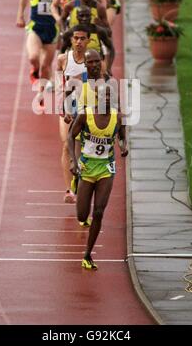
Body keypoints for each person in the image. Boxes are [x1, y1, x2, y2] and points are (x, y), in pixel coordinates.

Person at [68, 83, 128, 270]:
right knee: (82, 215)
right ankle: (76, 183)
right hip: (86, 167)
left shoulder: (117, 117)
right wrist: (73, 161)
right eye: (104, 96)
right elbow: (71, 136)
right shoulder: (86, 114)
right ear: (98, 98)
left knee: (99, 212)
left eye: (111, 96)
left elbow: (121, 136)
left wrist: (123, 146)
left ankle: (87, 254)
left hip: (106, 169)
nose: (107, 99)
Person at [16, 0, 63, 86]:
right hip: (35, 27)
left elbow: (65, 7)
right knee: (33, 57)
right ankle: (34, 71)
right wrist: (20, 15)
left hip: (52, 29)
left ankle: (43, 97)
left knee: (46, 66)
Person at [56, 25, 90, 203]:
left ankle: (81, 182)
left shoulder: (94, 60)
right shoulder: (62, 59)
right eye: (75, 38)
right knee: (66, 145)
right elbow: (59, 86)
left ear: (88, 41)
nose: (78, 41)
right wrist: (64, 109)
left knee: (82, 148)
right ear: (71, 40)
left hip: (87, 109)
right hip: (68, 108)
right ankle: (70, 190)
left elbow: (100, 84)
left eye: (82, 38)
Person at [60, 6, 114, 75]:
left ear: (91, 16)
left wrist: (109, 67)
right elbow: (62, 50)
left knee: (105, 80)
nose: (84, 18)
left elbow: (111, 48)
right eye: (81, 16)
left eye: (87, 16)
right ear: (77, 17)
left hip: (95, 66)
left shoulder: (99, 31)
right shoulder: (71, 33)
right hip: (77, 65)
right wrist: (63, 65)